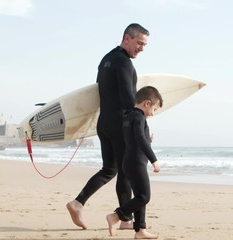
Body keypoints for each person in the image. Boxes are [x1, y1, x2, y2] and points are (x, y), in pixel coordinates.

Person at [66, 23, 150, 230]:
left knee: (109, 169)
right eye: (139, 43)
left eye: (145, 45)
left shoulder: (106, 59)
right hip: (121, 124)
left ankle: (77, 203)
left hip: (105, 124)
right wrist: (140, 126)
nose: (142, 48)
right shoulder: (124, 63)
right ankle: (125, 221)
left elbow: (97, 93)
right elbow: (128, 98)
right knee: (126, 172)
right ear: (127, 38)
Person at [106, 86, 163, 239]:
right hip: (136, 163)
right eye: (154, 109)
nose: (153, 113)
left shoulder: (129, 115)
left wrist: (146, 138)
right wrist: (154, 160)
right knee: (144, 196)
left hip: (129, 161)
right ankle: (116, 216)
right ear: (147, 103)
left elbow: (133, 137)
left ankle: (140, 230)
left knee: (139, 196)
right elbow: (139, 138)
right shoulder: (138, 117)